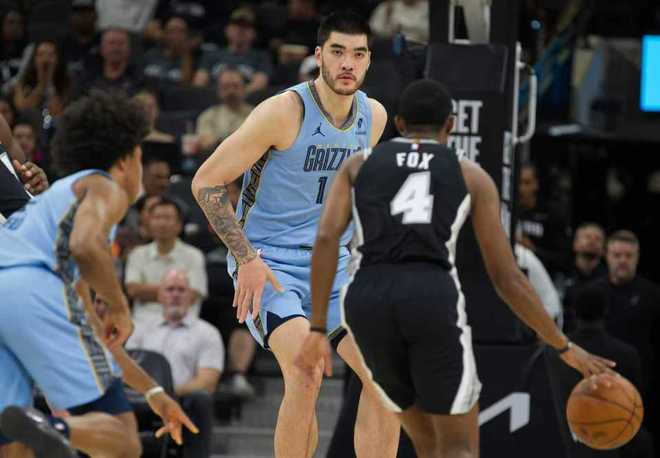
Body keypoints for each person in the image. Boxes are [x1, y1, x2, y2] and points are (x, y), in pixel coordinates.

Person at [295, 79, 615, 458]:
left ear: (398, 123)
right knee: (458, 448)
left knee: (428, 444)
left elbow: (326, 239)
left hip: (366, 301)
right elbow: (506, 277)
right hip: (429, 295)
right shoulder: (471, 175)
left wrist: (318, 327)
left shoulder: (358, 165)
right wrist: (562, 345)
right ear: (451, 124)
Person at [192, 11, 396, 458]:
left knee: (386, 374)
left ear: (368, 60)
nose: (348, 63)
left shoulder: (374, 116)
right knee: (306, 370)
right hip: (269, 263)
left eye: (358, 54)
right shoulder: (283, 112)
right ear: (319, 56)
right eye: (338, 52)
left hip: (333, 264)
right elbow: (205, 182)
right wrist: (246, 258)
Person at [0, 90, 148, 458]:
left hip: (13, 279)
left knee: (13, 434)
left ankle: (48, 427)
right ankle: (55, 426)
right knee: (120, 437)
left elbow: (86, 318)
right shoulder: (102, 187)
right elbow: (85, 245)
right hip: (30, 287)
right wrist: (119, 307)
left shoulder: (45, 201)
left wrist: (155, 392)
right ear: (127, 158)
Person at [127, 269, 223, 458]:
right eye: (170, 289)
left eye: (181, 290)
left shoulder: (208, 333)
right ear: (160, 295)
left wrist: (166, 396)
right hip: (140, 398)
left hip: (182, 399)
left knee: (201, 399)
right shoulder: (139, 329)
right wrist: (152, 394)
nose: (175, 295)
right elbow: (127, 368)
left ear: (191, 297)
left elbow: (208, 381)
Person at [125, 196, 208, 324]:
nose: (162, 223)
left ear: (179, 225)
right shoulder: (137, 254)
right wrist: (178, 292)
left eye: (168, 218)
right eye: (157, 218)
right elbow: (133, 290)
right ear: (149, 223)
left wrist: (146, 292)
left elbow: (192, 294)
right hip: (143, 323)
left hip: (183, 324)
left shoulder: (194, 255)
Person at [0, 113, 48, 221]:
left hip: (31, 221)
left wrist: (38, 184)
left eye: (29, 137)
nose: (24, 141)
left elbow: (32, 182)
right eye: (19, 137)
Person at [563, 222, 608, 332]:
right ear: (575, 243)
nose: (592, 241)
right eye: (587, 237)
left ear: (604, 249)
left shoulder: (610, 279)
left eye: (597, 239)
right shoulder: (561, 273)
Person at [195, 67, 253, 153]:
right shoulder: (208, 115)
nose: (231, 91)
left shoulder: (256, 114)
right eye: (226, 87)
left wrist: (218, 138)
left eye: (235, 86)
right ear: (219, 90)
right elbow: (205, 143)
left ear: (244, 88)